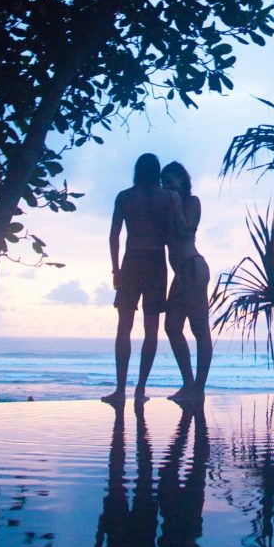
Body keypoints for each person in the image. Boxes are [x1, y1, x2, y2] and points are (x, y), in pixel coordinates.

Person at [102, 153, 180, 404]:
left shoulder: (125, 197)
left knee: (124, 327)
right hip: (157, 262)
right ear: (156, 172)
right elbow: (173, 234)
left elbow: (114, 237)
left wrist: (116, 270)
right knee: (151, 329)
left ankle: (120, 390)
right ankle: (140, 390)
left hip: (132, 261)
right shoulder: (167, 198)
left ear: (137, 170)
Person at [160, 161, 212, 403]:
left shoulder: (192, 202)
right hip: (179, 273)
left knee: (200, 329)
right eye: (164, 183)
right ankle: (188, 383)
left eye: (170, 181)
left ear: (182, 180)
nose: (167, 187)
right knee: (171, 327)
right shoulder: (168, 208)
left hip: (192, 267)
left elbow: (185, 230)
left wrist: (175, 202)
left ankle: (198, 388)